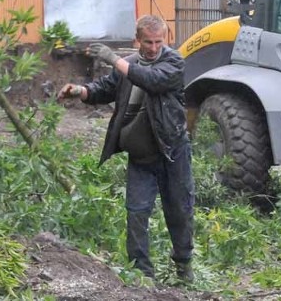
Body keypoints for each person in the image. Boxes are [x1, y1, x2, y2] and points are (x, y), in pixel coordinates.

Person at [56, 15, 194, 283]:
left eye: (158, 41)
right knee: (136, 212)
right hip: (141, 157)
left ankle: (184, 267)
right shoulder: (129, 65)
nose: (154, 47)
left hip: (171, 153)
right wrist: (80, 91)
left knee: (179, 210)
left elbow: (152, 80)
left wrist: (112, 58)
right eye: (148, 42)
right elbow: (105, 89)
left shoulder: (174, 62)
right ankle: (142, 275)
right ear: (137, 40)